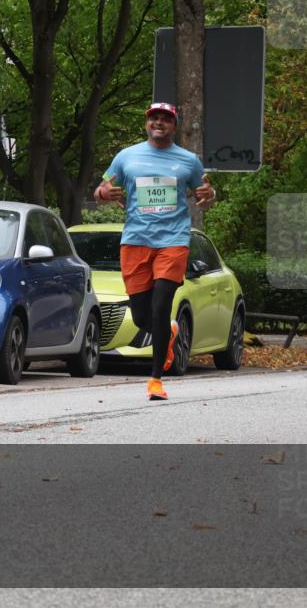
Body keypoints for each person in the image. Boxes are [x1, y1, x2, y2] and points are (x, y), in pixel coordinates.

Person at [94, 102, 216, 401]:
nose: (159, 123)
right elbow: (100, 192)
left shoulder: (188, 161)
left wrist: (209, 196)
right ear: (147, 124)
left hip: (173, 242)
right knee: (141, 317)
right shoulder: (126, 157)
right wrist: (103, 194)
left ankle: (155, 380)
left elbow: (206, 196)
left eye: (165, 119)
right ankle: (168, 333)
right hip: (135, 241)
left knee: (162, 305)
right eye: (154, 118)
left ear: (174, 126)